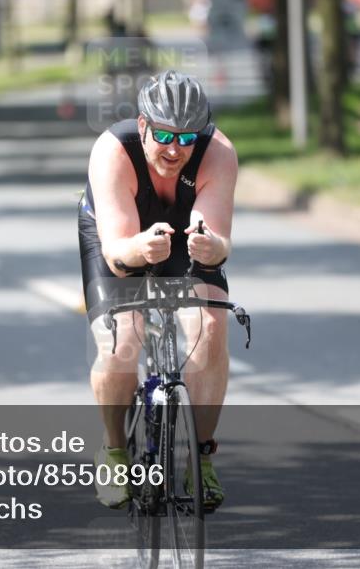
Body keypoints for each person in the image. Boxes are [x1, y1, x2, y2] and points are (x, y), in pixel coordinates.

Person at [78, 70, 238, 509]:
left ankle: (201, 458)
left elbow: (219, 243)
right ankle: (113, 450)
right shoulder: (113, 151)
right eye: (164, 134)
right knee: (120, 345)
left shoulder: (218, 152)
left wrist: (210, 245)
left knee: (210, 330)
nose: (174, 149)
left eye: (186, 138)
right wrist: (140, 248)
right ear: (143, 125)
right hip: (120, 238)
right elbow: (116, 253)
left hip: (184, 239)